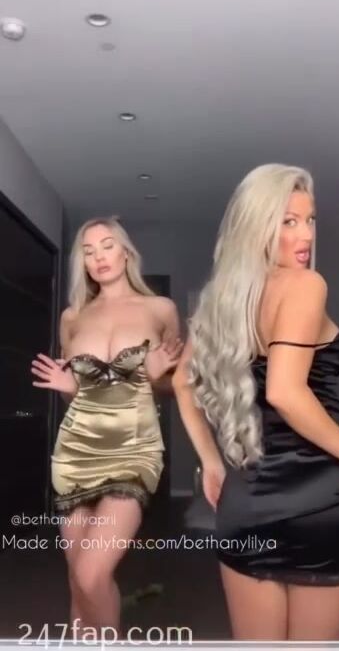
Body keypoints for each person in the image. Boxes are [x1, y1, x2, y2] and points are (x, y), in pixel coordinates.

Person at [172, 164, 339, 641]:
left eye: (309, 220)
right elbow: (285, 392)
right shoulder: (307, 285)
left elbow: (184, 383)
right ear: (257, 226)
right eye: (288, 221)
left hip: (245, 501)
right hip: (320, 502)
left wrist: (212, 462)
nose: (305, 234)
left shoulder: (220, 299)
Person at [31, 215, 182, 637]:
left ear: (126, 252)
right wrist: (67, 387)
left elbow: (175, 387)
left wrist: (156, 377)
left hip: (134, 449)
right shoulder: (72, 317)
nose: (99, 257)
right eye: (88, 251)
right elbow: (78, 393)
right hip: (76, 452)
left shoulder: (161, 309)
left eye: (107, 246)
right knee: (78, 578)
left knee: (91, 573)